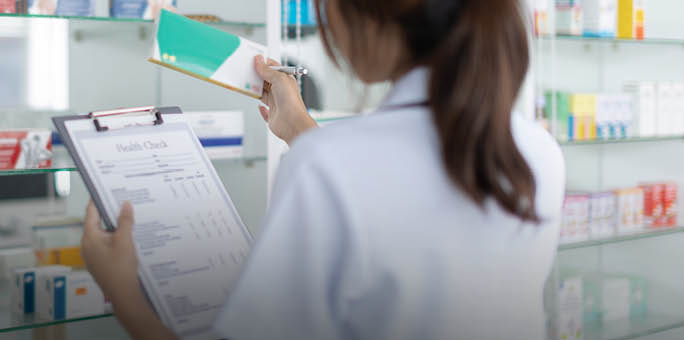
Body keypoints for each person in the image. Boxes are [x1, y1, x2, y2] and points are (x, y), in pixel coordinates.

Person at [80, 0, 565, 339]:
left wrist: (124, 292)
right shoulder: (535, 151)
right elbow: (400, 204)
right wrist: (301, 130)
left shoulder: (330, 166)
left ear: (370, 17)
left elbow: (373, 185)